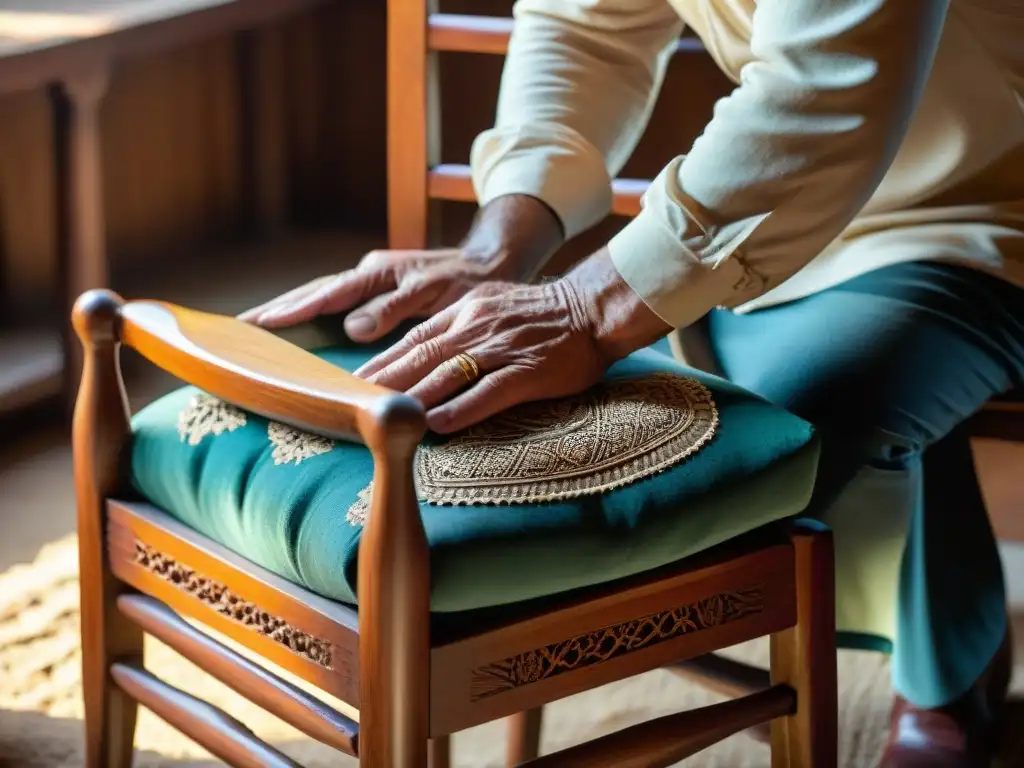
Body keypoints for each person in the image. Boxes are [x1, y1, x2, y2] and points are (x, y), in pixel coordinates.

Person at [242, 0, 1024, 764]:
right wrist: (496, 251)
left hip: (985, 207)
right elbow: (588, 28)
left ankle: (947, 675)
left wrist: (584, 306)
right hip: (788, 214)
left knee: (797, 419)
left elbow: (823, 85)